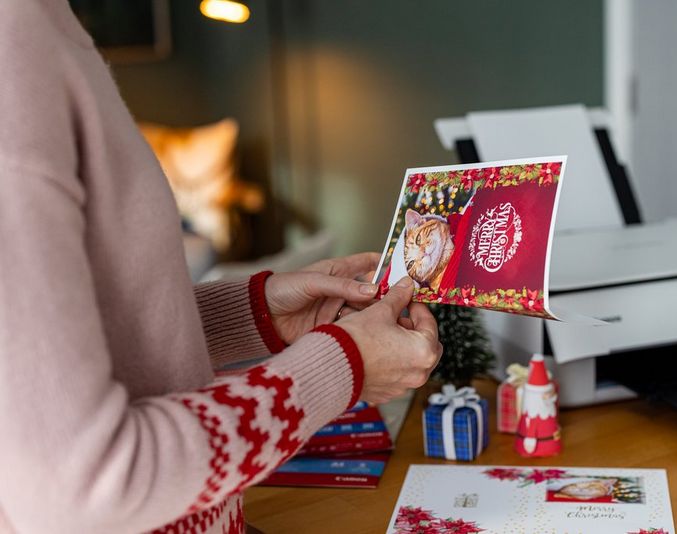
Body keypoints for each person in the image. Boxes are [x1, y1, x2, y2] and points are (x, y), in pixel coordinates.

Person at [0, 1, 441, 533]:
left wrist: (255, 313)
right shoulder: (14, 57)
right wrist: (343, 366)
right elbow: (85, 487)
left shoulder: (40, 27)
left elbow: (86, 341)